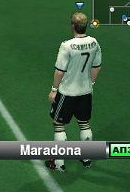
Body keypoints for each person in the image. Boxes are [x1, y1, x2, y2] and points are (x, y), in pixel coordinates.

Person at [45, 12, 102, 172]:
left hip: (68, 92)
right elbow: (97, 67)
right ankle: (86, 158)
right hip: (86, 91)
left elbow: (59, 72)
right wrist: (91, 83)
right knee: (84, 123)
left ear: (72, 26)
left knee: (58, 124)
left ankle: (59, 163)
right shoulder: (94, 42)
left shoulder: (67, 45)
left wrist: (54, 90)